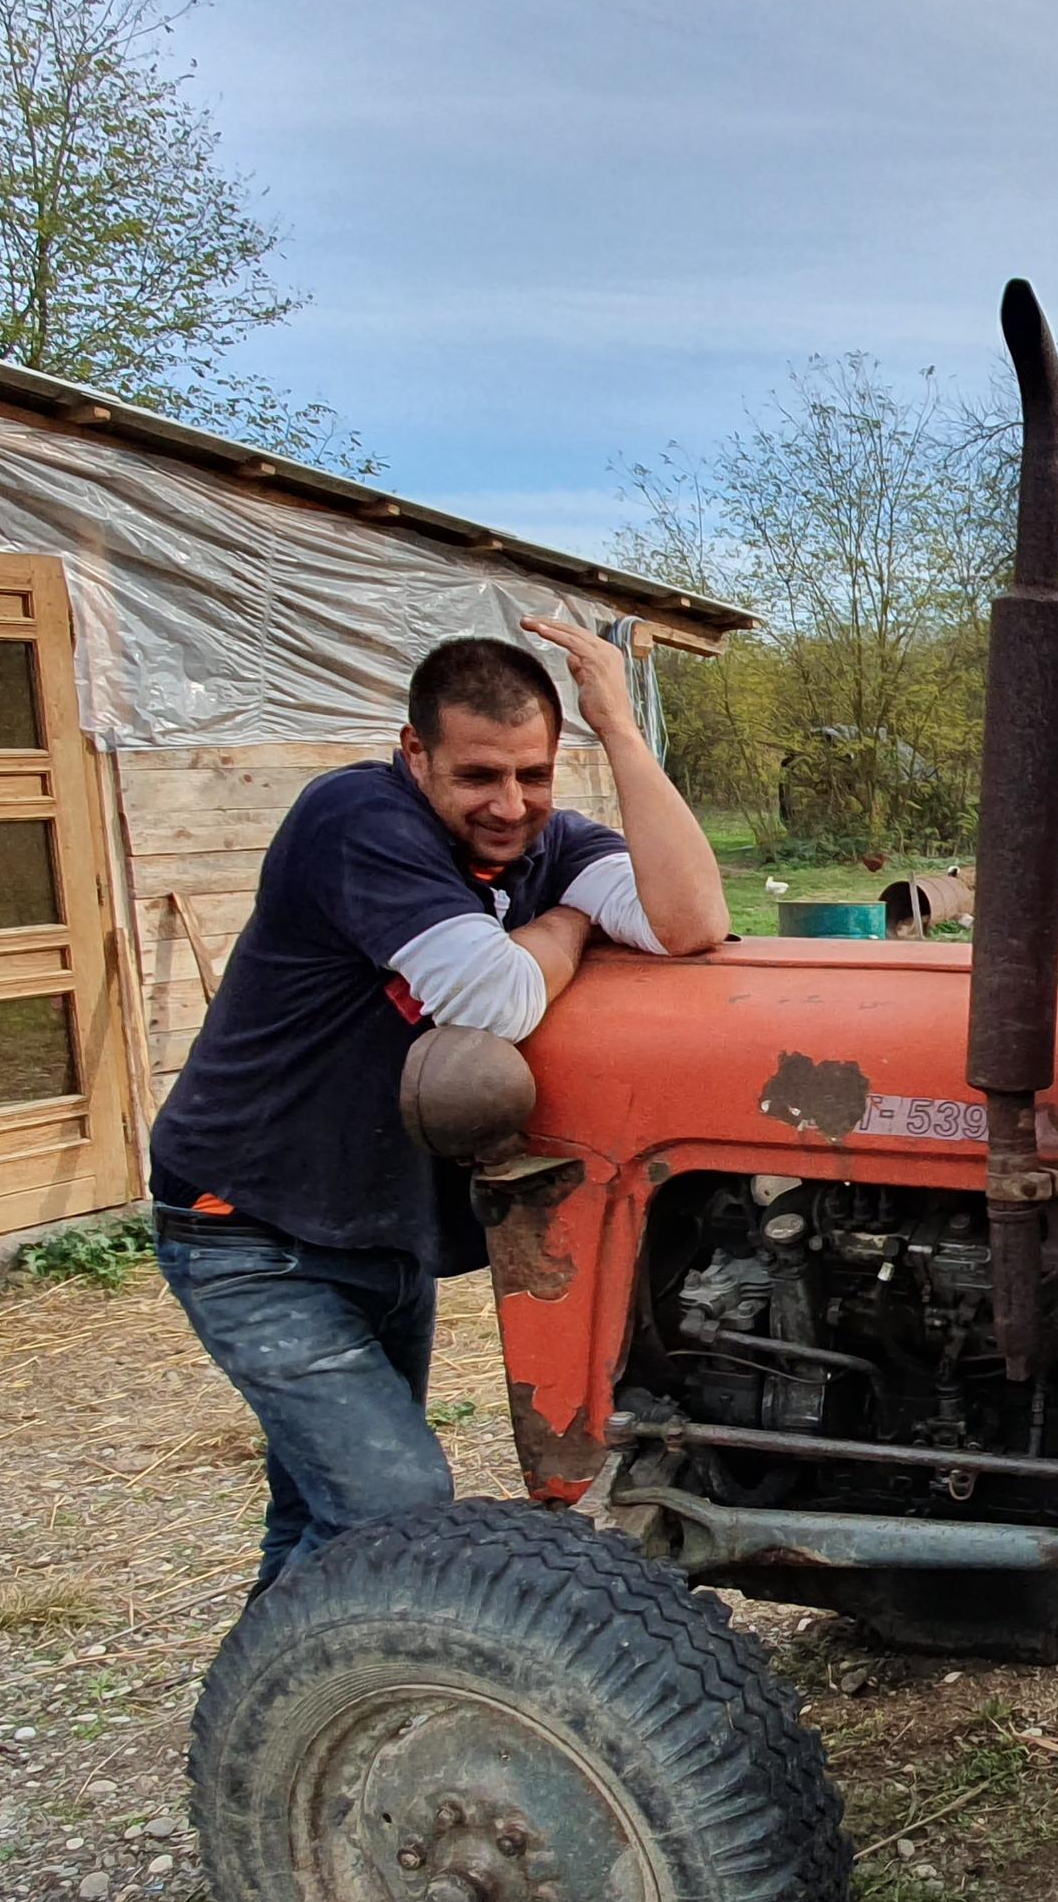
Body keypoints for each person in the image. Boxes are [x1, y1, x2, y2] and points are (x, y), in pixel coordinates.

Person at [146, 617, 725, 1589]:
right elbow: (491, 999)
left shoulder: (554, 846)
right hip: (249, 1224)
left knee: (323, 1511)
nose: (510, 805)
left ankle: (279, 1722)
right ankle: (297, 1718)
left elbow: (694, 920)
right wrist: (575, 922)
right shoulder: (359, 821)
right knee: (391, 1503)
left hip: (377, 1228)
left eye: (534, 775)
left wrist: (620, 731)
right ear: (416, 754)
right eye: (479, 777)